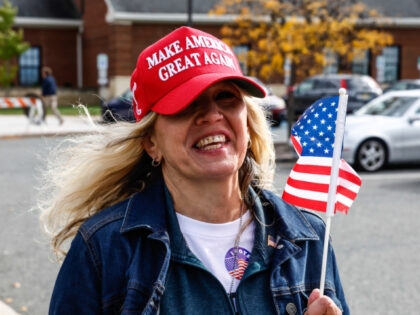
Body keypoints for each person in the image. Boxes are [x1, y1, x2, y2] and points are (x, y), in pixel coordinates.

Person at [41, 27, 348, 315]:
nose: (212, 115)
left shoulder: (307, 238)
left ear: (247, 120)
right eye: (185, 103)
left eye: (226, 96)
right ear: (151, 143)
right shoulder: (104, 248)